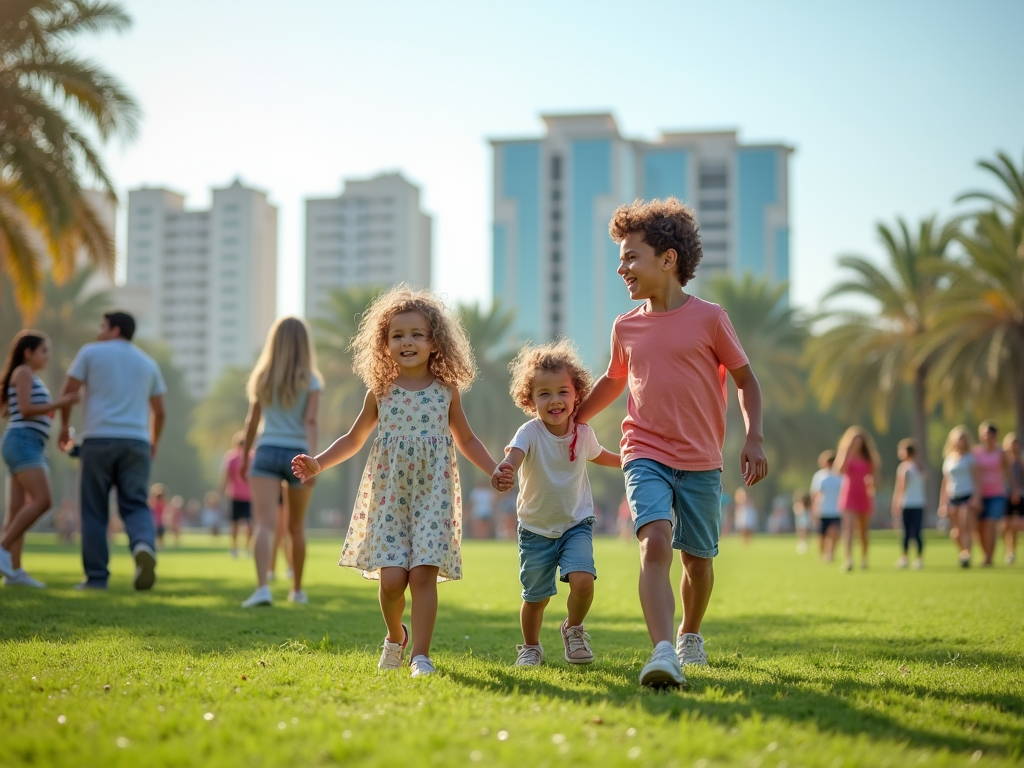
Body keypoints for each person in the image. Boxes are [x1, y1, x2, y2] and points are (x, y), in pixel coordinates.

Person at [574, 198, 768, 690]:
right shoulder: (626, 326)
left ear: (668, 259)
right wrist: (572, 418)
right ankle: (662, 651)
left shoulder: (710, 318)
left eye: (631, 257)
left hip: (702, 459)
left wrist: (754, 436)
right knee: (655, 539)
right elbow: (615, 382)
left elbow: (746, 380)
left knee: (698, 561)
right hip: (644, 452)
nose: (622, 268)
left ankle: (689, 634)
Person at [291, 286, 500, 678]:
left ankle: (421, 655)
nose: (407, 342)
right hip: (388, 497)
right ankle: (395, 636)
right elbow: (354, 439)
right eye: (397, 335)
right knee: (391, 582)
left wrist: (493, 470)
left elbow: (467, 439)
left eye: (417, 334)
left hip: (433, 493)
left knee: (423, 574)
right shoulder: (381, 392)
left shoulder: (445, 391)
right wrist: (318, 463)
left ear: (434, 342)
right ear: (384, 343)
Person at [490, 340, 620, 667]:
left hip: (576, 523)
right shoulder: (530, 432)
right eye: (543, 394)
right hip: (535, 529)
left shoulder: (583, 433)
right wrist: (505, 470)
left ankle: (573, 628)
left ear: (577, 394)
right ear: (530, 401)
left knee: (583, 581)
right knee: (536, 598)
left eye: (563, 391)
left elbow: (601, 456)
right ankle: (531, 647)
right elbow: (514, 456)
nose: (555, 401)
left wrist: (630, 459)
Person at [58, 311, 165, 590]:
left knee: (94, 509)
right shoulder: (148, 362)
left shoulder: (90, 353)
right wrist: (153, 441)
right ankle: (143, 545)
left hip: (98, 440)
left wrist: (64, 427)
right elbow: (160, 412)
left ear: (116, 330)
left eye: (102, 326)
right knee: (136, 504)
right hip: (138, 442)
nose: (98, 331)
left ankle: (96, 578)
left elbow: (69, 393)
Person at [239, 317, 320, 607]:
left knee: (264, 524)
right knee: (296, 527)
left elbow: (252, 422)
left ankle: (262, 588)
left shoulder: (262, 376)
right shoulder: (311, 379)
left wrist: (243, 458)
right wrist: (315, 460)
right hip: (298, 452)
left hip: (266, 450)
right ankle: (297, 590)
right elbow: (310, 421)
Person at [0, 331, 80, 587]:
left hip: (28, 443)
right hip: (23, 443)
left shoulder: (30, 377)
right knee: (44, 501)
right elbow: (24, 409)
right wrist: (61, 403)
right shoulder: (23, 373)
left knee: (15, 512)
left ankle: (15, 571)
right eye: (44, 350)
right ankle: (2, 549)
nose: (48, 356)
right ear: (28, 352)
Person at [973, 422, 1020, 567]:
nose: (988, 436)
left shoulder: (1001, 453)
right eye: (985, 433)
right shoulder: (976, 453)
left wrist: (1015, 489)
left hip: (997, 494)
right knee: (979, 528)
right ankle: (984, 553)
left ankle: (989, 558)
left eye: (991, 433)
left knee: (990, 524)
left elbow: (1009, 473)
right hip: (979, 495)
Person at [835, 426, 880, 571]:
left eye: (859, 440)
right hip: (849, 495)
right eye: (854, 440)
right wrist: (846, 453)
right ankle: (848, 560)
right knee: (848, 529)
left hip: (864, 495)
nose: (857, 443)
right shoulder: (846, 454)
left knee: (863, 532)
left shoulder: (869, 458)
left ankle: (864, 559)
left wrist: (873, 485)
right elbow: (839, 471)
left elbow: (876, 479)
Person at [939, 426, 981, 568]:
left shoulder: (970, 458)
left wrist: (976, 497)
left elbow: (977, 479)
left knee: (965, 528)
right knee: (955, 532)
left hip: (967, 494)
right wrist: (942, 503)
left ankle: (967, 554)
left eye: (962, 439)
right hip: (953, 496)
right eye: (957, 439)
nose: (960, 442)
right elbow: (945, 482)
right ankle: (963, 552)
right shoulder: (949, 459)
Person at [891, 438, 926, 569]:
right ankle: (919, 559)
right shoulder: (920, 467)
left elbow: (901, 488)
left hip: (907, 504)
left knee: (907, 532)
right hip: (919, 503)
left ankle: (905, 558)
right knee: (917, 532)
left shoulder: (904, 468)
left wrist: (896, 504)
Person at [218, 431, 252, 557]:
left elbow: (225, 477)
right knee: (240, 524)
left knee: (239, 524)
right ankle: (240, 548)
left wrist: (221, 492)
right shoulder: (235, 457)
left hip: (244, 496)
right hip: (240, 495)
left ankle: (238, 548)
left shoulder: (235, 456)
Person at [810, 450, 842, 562]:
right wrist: (813, 510)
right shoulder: (819, 476)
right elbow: (814, 495)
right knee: (822, 536)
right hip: (823, 510)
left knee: (834, 533)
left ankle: (831, 554)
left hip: (837, 510)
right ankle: (823, 554)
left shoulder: (840, 476)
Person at [1004, 432, 1023, 564]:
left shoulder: (1021, 462)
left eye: (1016, 443)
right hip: (1006, 496)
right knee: (1007, 526)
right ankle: (1010, 551)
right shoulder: (1004, 462)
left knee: (1018, 525)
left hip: (1021, 496)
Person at [149, 483, 167, 549]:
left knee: (160, 534)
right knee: (156, 534)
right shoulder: (153, 502)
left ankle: (160, 546)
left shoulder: (162, 503)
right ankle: (157, 546)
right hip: (154, 522)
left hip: (159, 522)